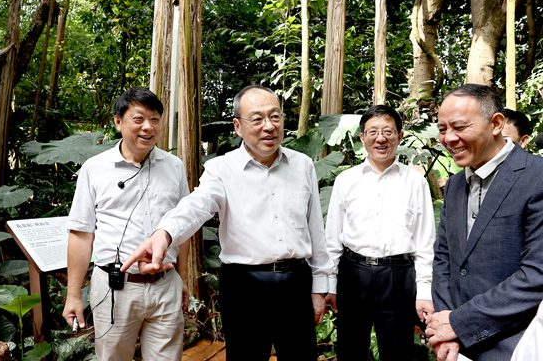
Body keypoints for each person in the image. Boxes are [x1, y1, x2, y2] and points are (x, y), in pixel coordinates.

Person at [121, 85, 333, 361]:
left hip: (296, 282)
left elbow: (315, 230)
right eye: (257, 119)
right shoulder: (222, 169)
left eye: (275, 116)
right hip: (244, 286)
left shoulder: (303, 165)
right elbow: (196, 206)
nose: (269, 126)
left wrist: (320, 288)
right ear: (238, 126)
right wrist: (163, 234)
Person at [62, 88, 191, 361]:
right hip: (115, 288)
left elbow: (182, 227)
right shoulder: (95, 169)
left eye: (155, 119)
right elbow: (81, 234)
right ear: (118, 122)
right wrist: (73, 295)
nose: (148, 127)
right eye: (139, 119)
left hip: (165, 284)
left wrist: (182, 278)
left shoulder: (174, 166)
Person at [426, 84, 543, 361]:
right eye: (442, 129)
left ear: (496, 124)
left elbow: (537, 275)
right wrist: (446, 327)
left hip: (516, 344)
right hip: (455, 347)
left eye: (459, 127)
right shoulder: (454, 184)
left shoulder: (537, 176)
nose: (449, 138)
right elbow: (444, 258)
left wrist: (459, 324)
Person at [324, 105, 436, 360]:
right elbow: (332, 239)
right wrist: (329, 283)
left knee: (398, 352)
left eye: (388, 131)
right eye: (373, 132)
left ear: (399, 136)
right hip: (353, 274)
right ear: (363, 137)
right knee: (350, 351)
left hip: (398, 276)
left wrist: (424, 291)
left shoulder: (415, 181)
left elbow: (425, 242)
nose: (380, 138)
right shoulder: (346, 180)